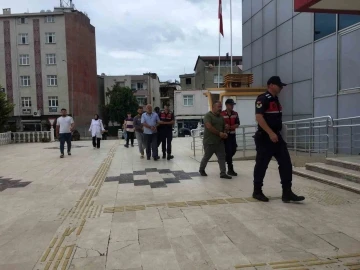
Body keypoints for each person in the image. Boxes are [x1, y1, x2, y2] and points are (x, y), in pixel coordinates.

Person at [253, 76, 305, 203]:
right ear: (271, 85)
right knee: (261, 165)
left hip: (277, 137)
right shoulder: (262, 98)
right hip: (265, 137)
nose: (281, 88)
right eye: (279, 85)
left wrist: (277, 133)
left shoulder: (276, 100)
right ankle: (257, 191)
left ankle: (287, 192)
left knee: (286, 164)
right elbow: (259, 117)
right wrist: (270, 133)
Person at [199, 101, 232, 179]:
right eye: (218, 107)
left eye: (221, 107)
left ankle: (223, 173)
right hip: (209, 142)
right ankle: (201, 169)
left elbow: (224, 128)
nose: (220, 109)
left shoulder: (221, 117)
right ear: (213, 107)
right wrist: (219, 133)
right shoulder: (208, 116)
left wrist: (225, 131)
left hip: (219, 142)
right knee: (207, 157)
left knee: (222, 157)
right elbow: (209, 127)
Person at [221, 99, 240, 176]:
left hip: (232, 135)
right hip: (226, 136)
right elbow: (220, 124)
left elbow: (237, 124)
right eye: (230, 104)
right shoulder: (222, 114)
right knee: (228, 151)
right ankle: (230, 169)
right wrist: (225, 128)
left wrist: (230, 127)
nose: (232, 106)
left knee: (234, 149)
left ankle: (226, 159)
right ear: (226, 105)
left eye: (233, 105)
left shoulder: (235, 114)